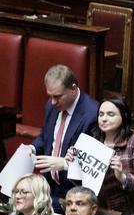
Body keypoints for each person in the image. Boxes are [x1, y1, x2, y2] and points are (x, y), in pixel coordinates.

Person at [30, 65, 100, 205]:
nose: (53, 102)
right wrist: (32, 148)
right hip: (49, 189)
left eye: (57, 96)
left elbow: (94, 162)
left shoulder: (93, 113)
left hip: (76, 194)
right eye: (50, 96)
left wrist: (65, 163)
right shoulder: (52, 106)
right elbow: (45, 136)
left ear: (73, 89)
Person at [85, 98, 134, 215]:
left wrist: (123, 177)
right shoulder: (92, 143)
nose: (104, 119)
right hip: (99, 213)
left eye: (111, 114)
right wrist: (73, 165)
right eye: (101, 114)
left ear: (124, 116)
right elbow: (86, 183)